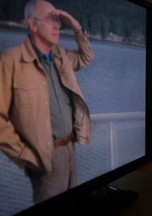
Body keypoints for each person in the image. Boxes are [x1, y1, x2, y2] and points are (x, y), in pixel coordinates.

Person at [0, 0, 94, 203]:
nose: (57, 26)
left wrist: (75, 26)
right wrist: (24, 155)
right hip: (44, 157)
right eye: (50, 20)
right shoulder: (11, 61)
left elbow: (87, 57)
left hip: (70, 148)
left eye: (58, 21)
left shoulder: (60, 55)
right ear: (33, 25)